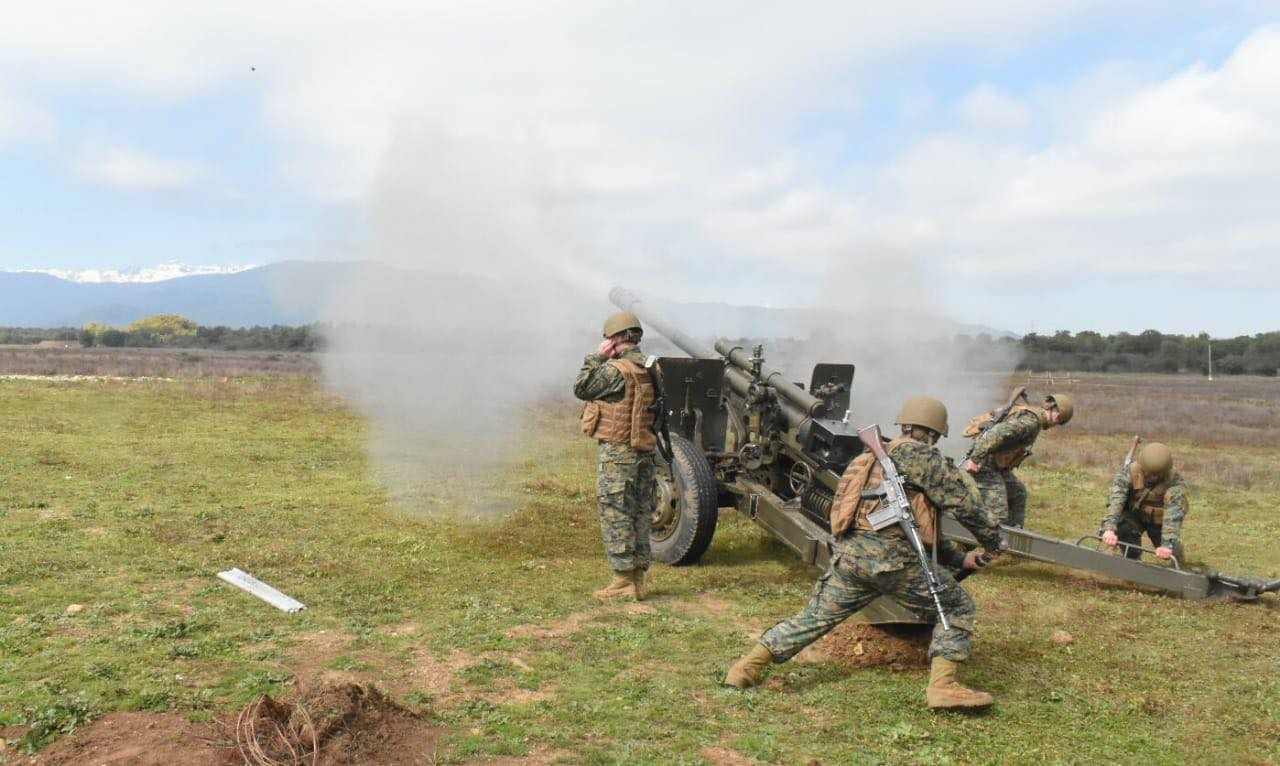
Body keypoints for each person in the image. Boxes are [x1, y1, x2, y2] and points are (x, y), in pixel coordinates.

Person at [723, 397, 1004, 710]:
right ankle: (943, 687)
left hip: (852, 558)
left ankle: (745, 668)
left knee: (812, 618)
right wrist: (993, 542)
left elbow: (907, 523)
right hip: (894, 562)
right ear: (935, 434)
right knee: (957, 606)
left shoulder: (868, 459)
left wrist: (957, 558)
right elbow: (964, 504)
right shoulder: (922, 458)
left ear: (905, 424)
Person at [573, 310, 658, 601]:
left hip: (618, 453)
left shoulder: (614, 370)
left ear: (616, 339)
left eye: (609, 338)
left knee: (615, 512)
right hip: (645, 452)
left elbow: (581, 387)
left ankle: (622, 582)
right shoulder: (652, 367)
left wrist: (596, 357)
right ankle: (638, 579)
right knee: (640, 513)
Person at [961, 393, 1074, 527]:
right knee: (998, 516)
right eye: (1058, 422)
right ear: (1058, 416)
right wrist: (974, 459)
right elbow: (995, 433)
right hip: (985, 465)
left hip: (996, 465)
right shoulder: (1031, 422)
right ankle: (968, 542)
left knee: (1018, 493)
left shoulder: (1032, 417)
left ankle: (1013, 538)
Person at [1100, 442, 1189, 561]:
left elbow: (1173, 515)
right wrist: (1109, 528)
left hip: (1160, 522)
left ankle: (1179, 557)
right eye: (1149, 473)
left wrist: (1167, 545)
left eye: (1157, 474)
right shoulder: (1129, 472)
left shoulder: (1175, 484)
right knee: (1124, 528)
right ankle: (1133, 559)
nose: (1152, 477)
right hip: (1135, 515)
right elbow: (1117, 499)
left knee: (1173, 552)